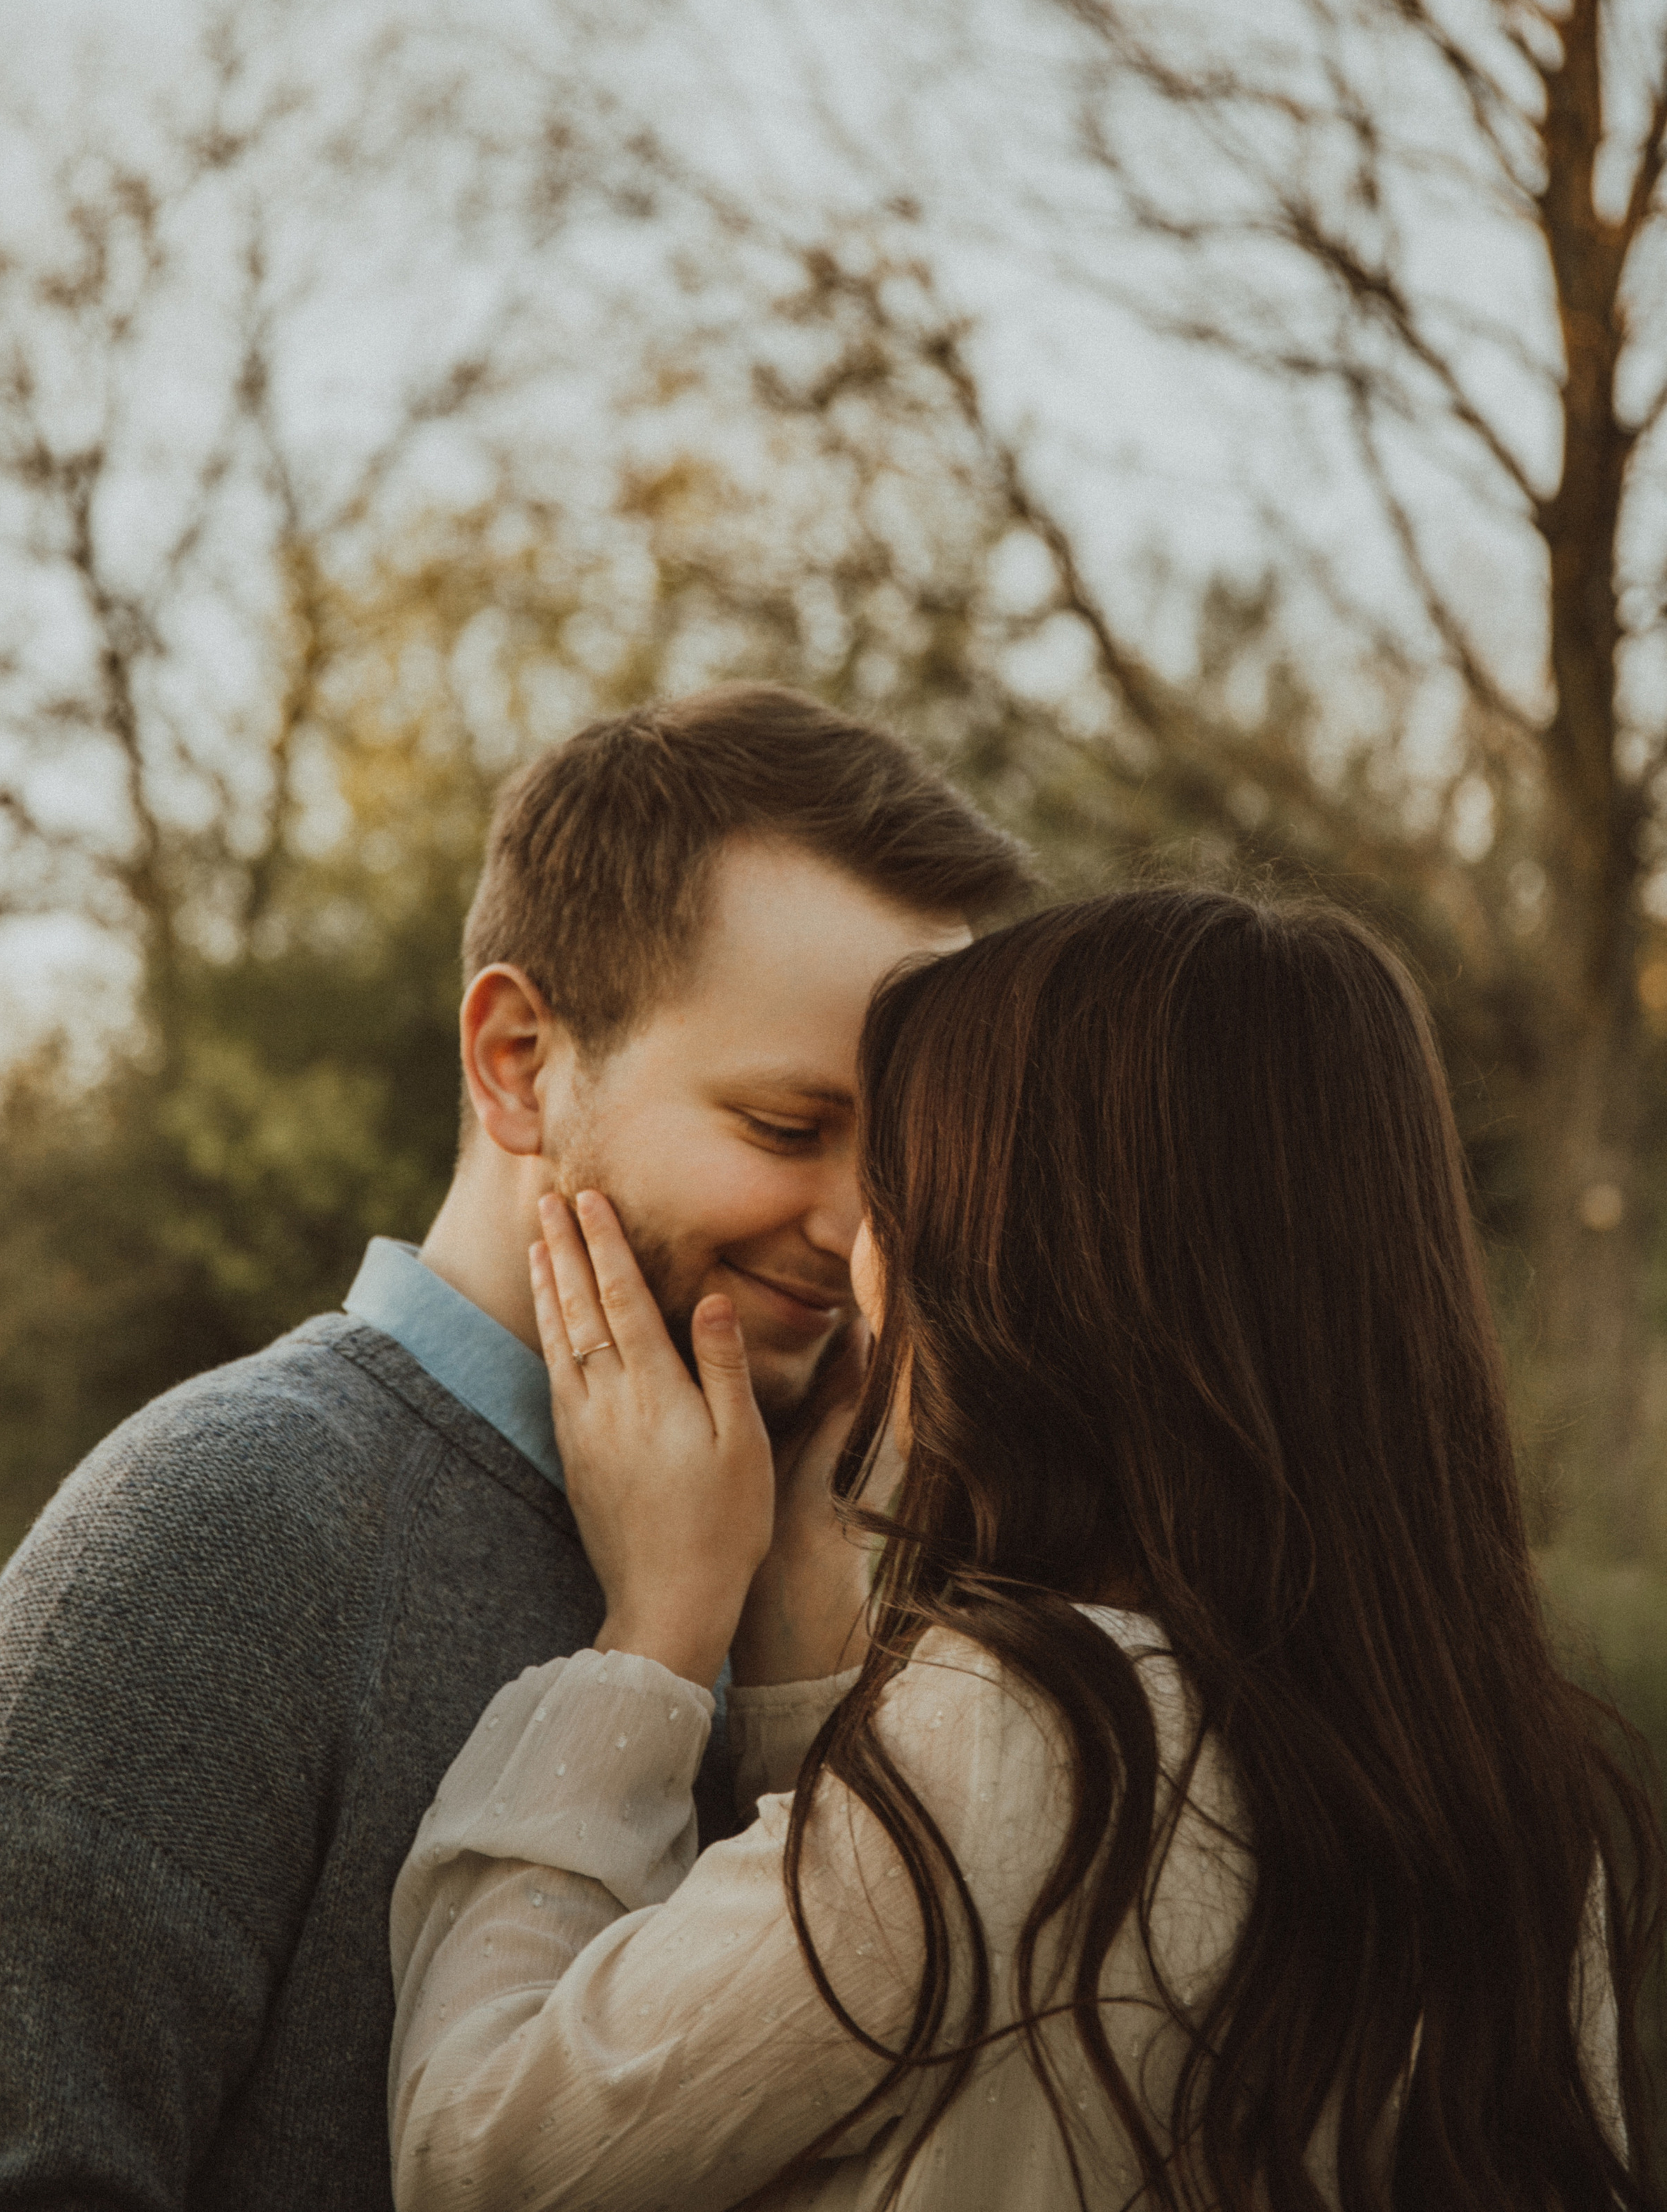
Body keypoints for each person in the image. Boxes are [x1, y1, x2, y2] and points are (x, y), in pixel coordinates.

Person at [0, 684, 1030, 2212]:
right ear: (515, 1060)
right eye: (782, 1126)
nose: (855, 1227)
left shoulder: (853, 1554)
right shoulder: (217, 1529)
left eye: (893, 1156)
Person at [388, 886, 1663, 2212]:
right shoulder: (1500, 1783)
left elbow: (484, 2158)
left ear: (1030, 1264)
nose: (856, 1252)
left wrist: (653, 1634)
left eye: (898, 1187)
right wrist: (798, 1695)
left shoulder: (1031, 1739)